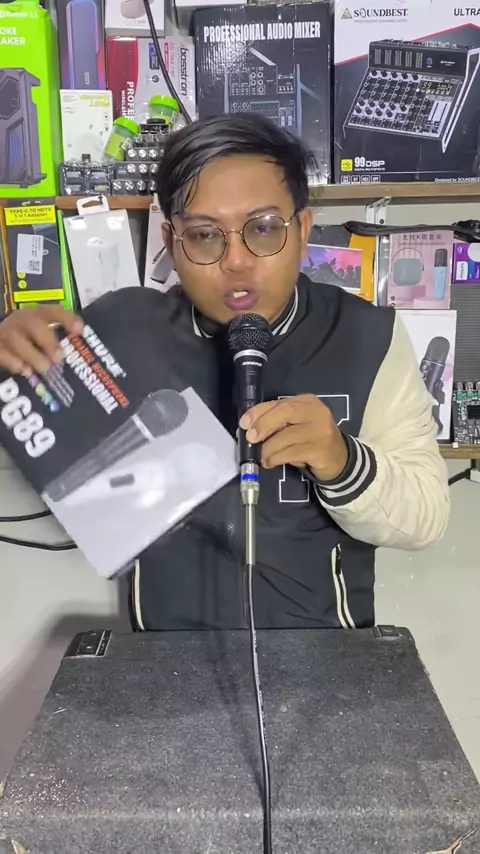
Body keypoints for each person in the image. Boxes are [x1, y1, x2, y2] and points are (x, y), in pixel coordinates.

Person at [0, 115, 449, 631]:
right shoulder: (126, 330)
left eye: (263, 228)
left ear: (303, 231)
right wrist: (15, 367)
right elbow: (62, 469)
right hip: (166, 653)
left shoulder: (367, 335)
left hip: (327, 655)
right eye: (204, 235)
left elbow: (427, 517)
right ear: (171, 243)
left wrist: (342, 461)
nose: (236, 260)